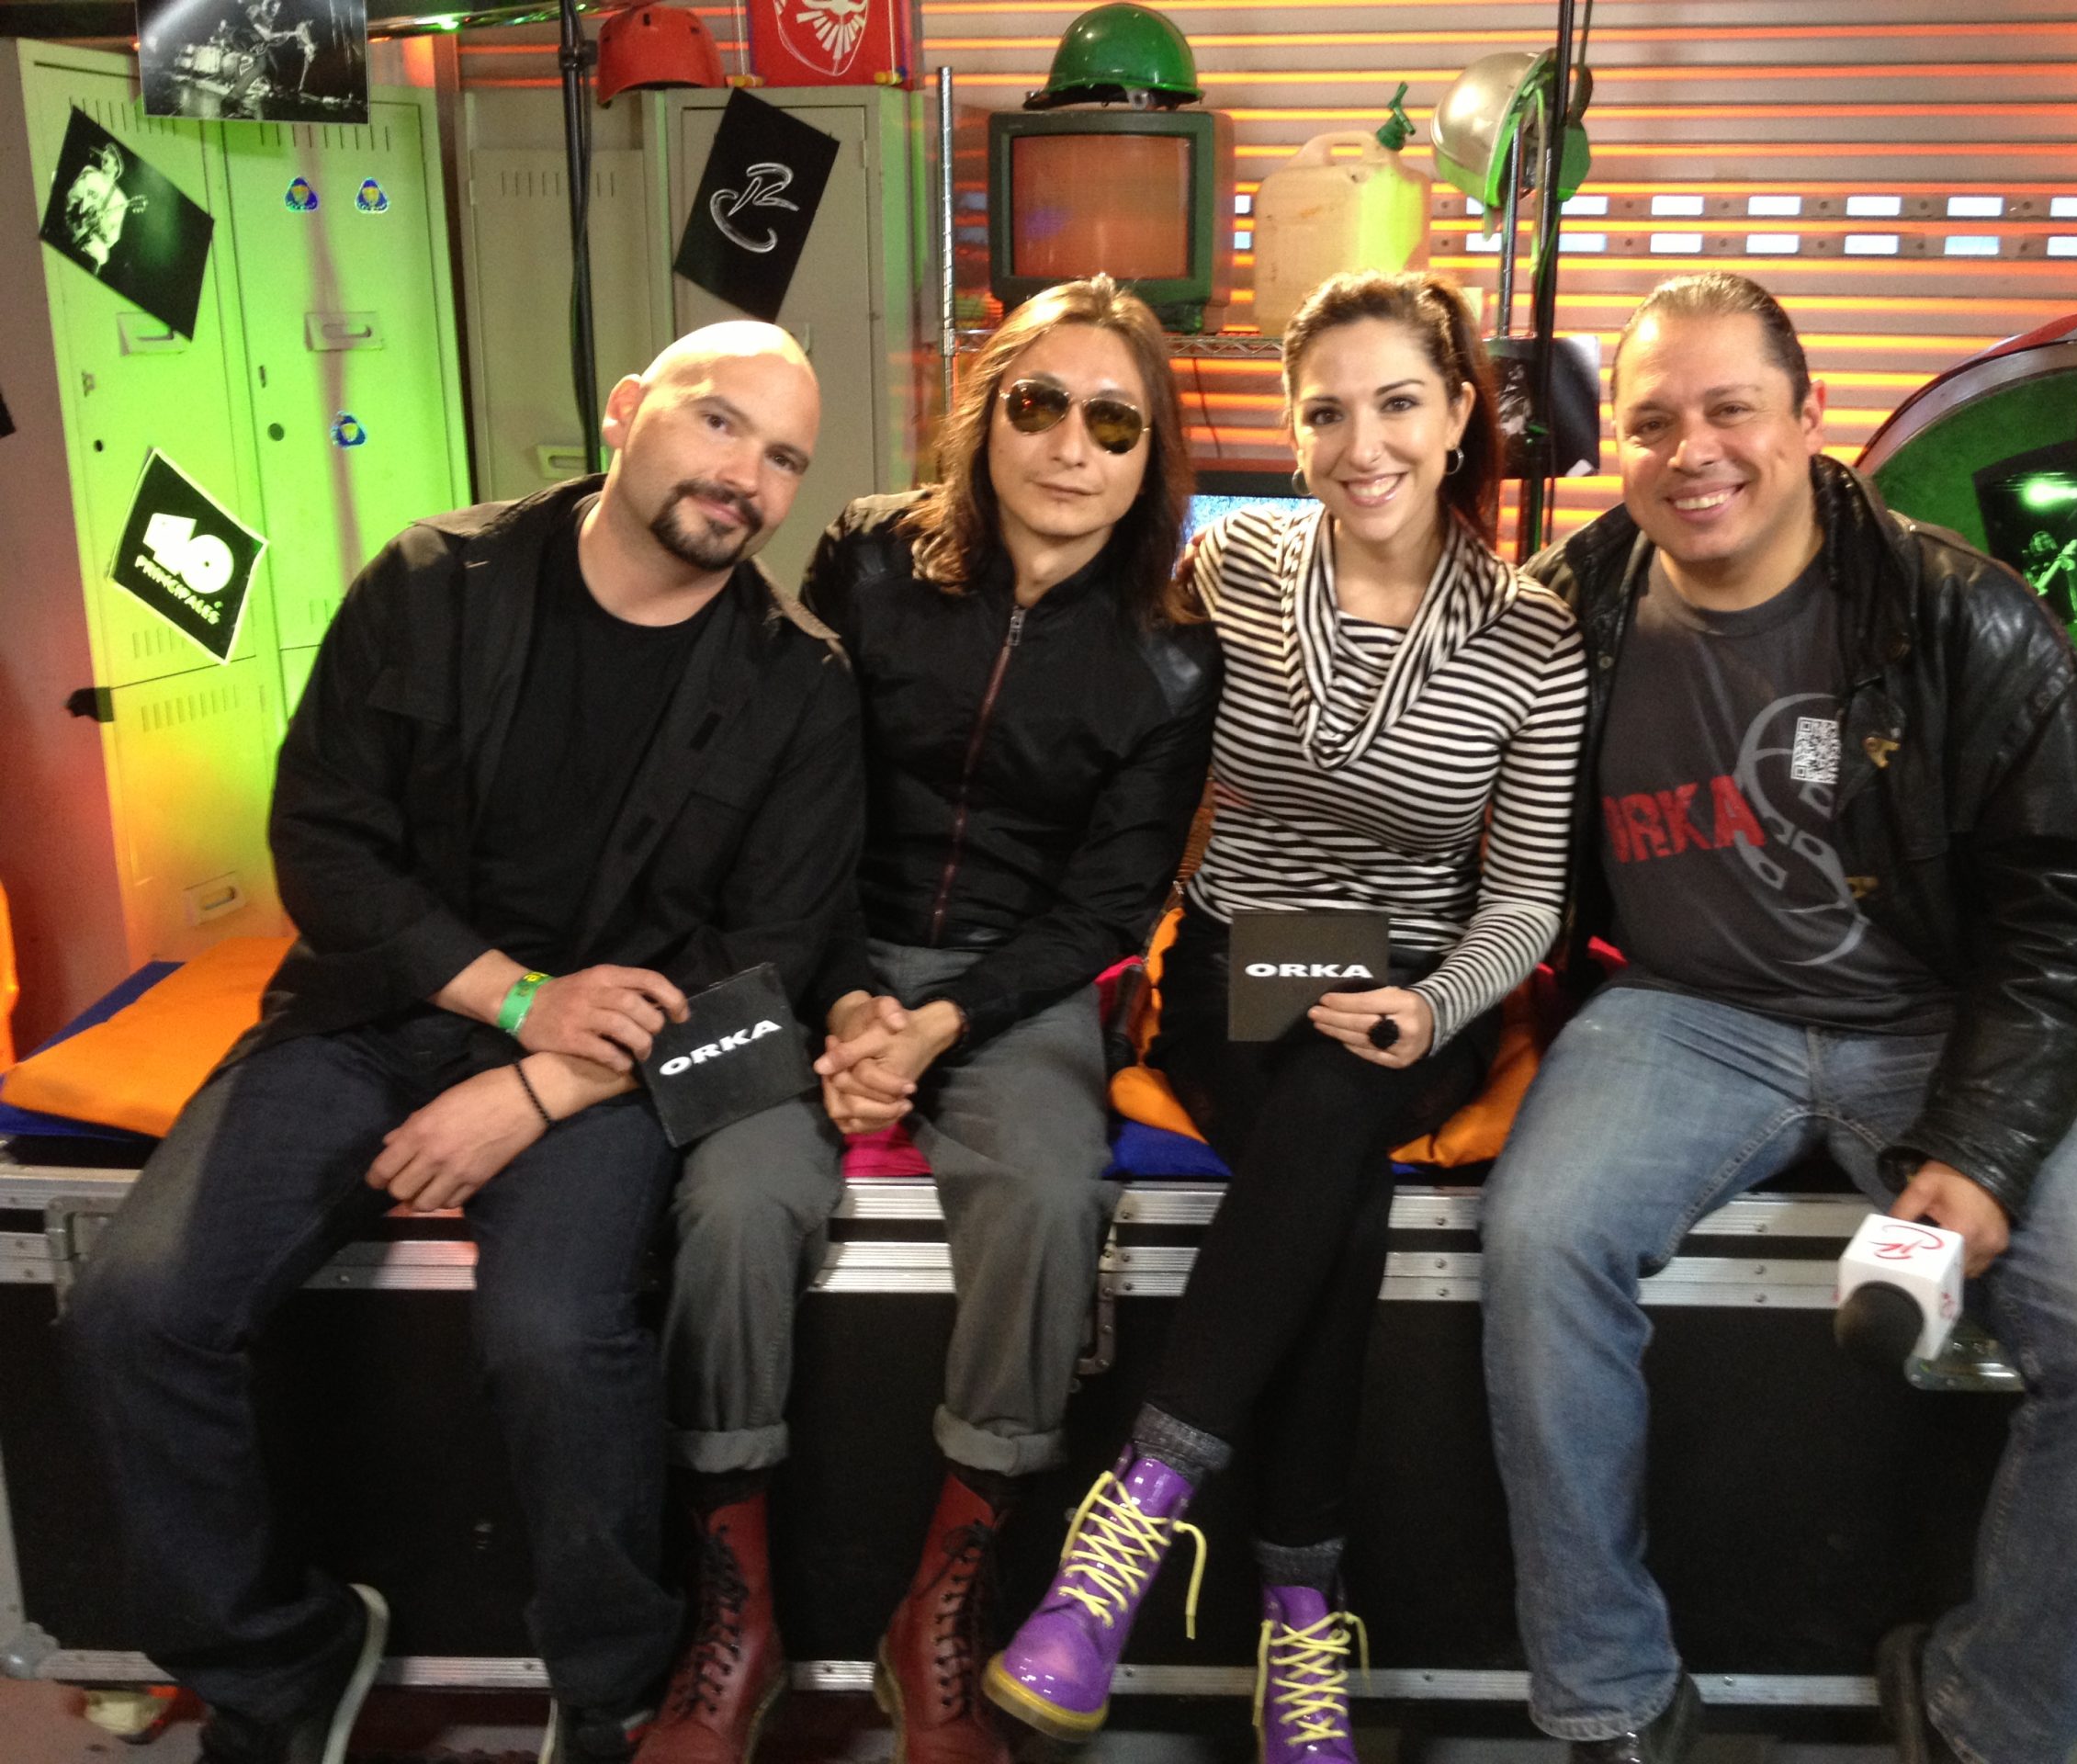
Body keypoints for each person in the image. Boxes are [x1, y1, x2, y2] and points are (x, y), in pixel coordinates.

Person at [59, 322, 859, 1764]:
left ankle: (609, 1681)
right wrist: (512, 1002)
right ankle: (273, 1660)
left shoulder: (799, 682)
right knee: (134, 1308)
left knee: (555, 1337)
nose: (746, 474)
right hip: (373, 1018)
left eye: (786, 457)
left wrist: (540, 1086)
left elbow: (770, 971)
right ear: (626, 410)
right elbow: (322, 840)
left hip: (605, 1077)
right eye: (719, 422)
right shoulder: (434, 579)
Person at [1480, 273, 2077, 1764]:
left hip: (1948, 1018)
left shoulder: (1966, 616)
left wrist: (1984, 1150)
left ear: (1811, 418)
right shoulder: (1567, 611)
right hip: (1686, 1013)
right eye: (1654, 422)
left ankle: (1987, 1710)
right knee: (1540, 1242)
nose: (1695, 452)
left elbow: (2072, 907)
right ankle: (1609, 1689)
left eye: (1732, 409)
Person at [985, 270, 1588, 1763]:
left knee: (1330, 1120)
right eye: (1326, 413)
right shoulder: (1235, 564)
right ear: (1292, 424)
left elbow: (1525, 901)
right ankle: (1302, 1612)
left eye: (1398, 404)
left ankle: (1132, 1521)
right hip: (1239, 957)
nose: (1360, 446)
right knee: (1332, 1175)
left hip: (1420, 976)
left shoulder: (1536, 638)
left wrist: (1433, 1004)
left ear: (1460, 415)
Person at [640, 275, 1218, 1764]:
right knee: (732, 1192)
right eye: (1040, 404)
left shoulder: (1172, 648)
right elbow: (792, 790)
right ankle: (734, 1610)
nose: (1072, 447)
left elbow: (1107, 907)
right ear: (986, 412)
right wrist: (843, 994)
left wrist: (938, 1021)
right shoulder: (869, 555)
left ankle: (943, 1601)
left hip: (1014, 982)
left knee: (1047, 1192)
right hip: (808, 939)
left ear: (1151, 455)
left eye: (1115, 423)